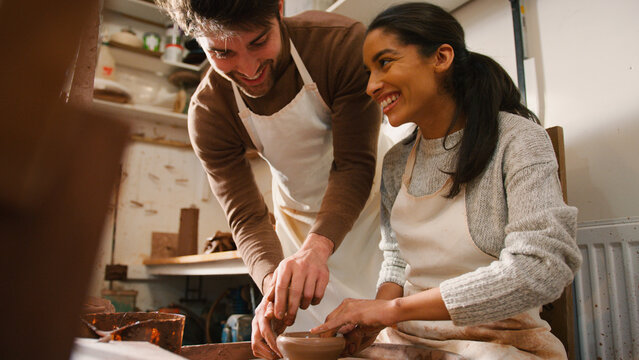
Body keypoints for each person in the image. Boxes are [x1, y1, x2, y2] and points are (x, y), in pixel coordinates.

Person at [311, 3, 582, 359]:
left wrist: (392, 311)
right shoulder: (396, 162)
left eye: (385, 63)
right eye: (369, 71)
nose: (371, 86)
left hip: (500, 343)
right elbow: (395, 261)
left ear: (441, 57)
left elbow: (542, 268)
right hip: (408, 341)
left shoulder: (517, 140)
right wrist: (372, 320)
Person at [155, 1, 385, 358]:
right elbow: (246, 217)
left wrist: (318, 247)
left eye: (259, 42)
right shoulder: (209, 112)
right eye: (222, 52)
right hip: (297, 220)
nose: (248, 68)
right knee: (310, 331)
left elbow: (354, 164)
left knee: (389, 332)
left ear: (279, 8)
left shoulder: (339, 46)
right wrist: (271, 284)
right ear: (196, 39)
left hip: (374, 206)